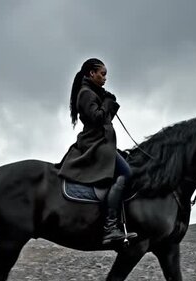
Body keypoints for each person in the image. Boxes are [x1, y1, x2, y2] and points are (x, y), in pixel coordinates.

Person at [58, 58, 137, 244]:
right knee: (125, 173)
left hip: (103, 144)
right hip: (95, 145)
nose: (105, 78)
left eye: (106, 75)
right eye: (102, 74)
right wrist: (107, 102)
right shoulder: (85, 93)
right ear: (91, 74)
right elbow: (97, 118)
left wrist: (107, 100)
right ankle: (110, 228)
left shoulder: (94, 93)